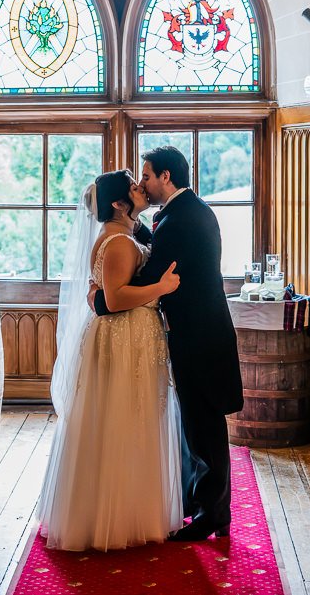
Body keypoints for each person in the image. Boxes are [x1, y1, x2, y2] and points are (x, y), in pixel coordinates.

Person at [93, 146, 243, 541]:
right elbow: (156, 248)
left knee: (204, 427)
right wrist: (135, 223)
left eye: (146, 176)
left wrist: (101, 301)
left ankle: (213, 514)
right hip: (198, 333)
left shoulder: (180, 220)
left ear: (165, 177)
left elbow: (146, 279)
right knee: (195, 424)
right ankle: (203, 503)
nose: (142, 183)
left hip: (199, 338)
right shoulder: (185, 211)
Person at [39, 170, 183, 551]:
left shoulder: (123, 235)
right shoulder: (118, 241)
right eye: (135, 188)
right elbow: (116, 300)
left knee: (122, 418)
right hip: (124, 337)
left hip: (128, 336)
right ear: (119, 204)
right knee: (125, 417)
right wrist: (162, 288)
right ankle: (119, 518)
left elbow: (105, 292)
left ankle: (120, 508)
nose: (142, 189)